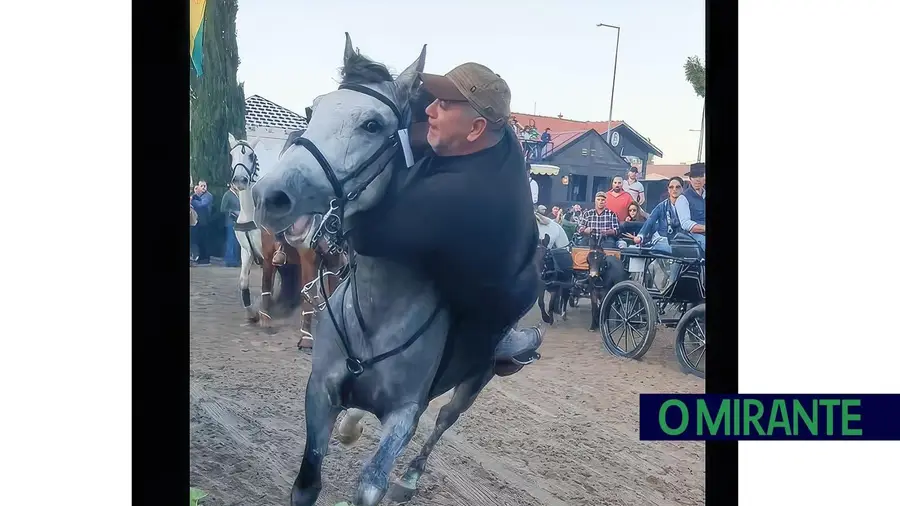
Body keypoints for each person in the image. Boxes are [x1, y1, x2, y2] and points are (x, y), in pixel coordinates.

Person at [349, 62, 543, 371]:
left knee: (479, 322)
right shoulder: (498, 135)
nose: (430, 110)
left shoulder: (456, 194)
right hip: (514, 246)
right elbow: (428, 125)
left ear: (476, 128)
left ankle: (499, 339)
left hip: (494, 291)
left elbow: (366, 237)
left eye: (444, 104)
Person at [627, 177, 684, 253]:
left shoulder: (688, 206)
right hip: (663, 239)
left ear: (682, 189)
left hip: (682, 241)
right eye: (671, 187)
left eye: (677, 187)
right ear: (668, 189)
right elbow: (650, 221)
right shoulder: (661, 206)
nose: (674, 189)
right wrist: (640, 236)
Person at [674, 162, 706, 252]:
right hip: (692, 237)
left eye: (700, 176)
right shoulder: (683, 198)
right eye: (694, 177)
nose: (697, 180)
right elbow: (685, 224)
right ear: (690, 179)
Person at [190, 180, 214, 265]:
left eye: (205, 186)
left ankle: (205, 258)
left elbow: (202, 204)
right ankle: (201, 257)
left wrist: (192, 200)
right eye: (201, 186)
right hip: (198, 222)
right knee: (199, 240)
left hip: (205, 221)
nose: (203, 187)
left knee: (204, 241)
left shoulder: (208, 196)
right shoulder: (197, 196)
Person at [220, 183, 241, 267]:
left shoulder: (238, 194)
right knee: (230, 240)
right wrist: (232, 211)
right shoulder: (227, 194)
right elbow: (222, 208)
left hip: (238, 221)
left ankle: (235, 260)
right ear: (232, 184)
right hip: (230, 221)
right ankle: (229, 260)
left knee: (236, 241)